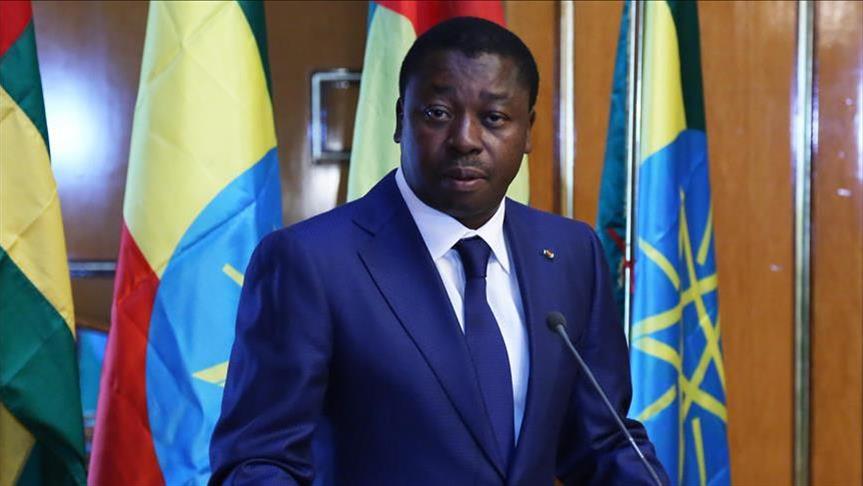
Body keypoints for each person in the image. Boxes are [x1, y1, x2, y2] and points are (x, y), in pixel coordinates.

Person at [209, 16, 668, 485]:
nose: (465, 140)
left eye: (494, 118)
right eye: (437, 113)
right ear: (399, 120)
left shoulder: (570, 253)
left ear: (528, 130)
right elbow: (259, 462)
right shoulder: (311, 262)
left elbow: (601, 441)